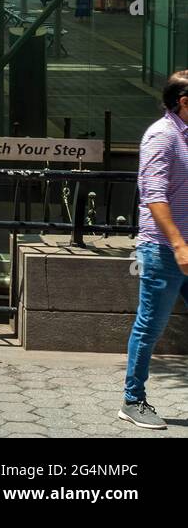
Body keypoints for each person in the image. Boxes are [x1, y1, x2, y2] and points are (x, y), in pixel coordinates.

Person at [120, 71, 188, 430]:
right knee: (150, 326)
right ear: (184, 102)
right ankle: (133, 400)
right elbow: (155, 196)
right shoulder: (162, 137)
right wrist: (179, 245)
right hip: (165, 250)